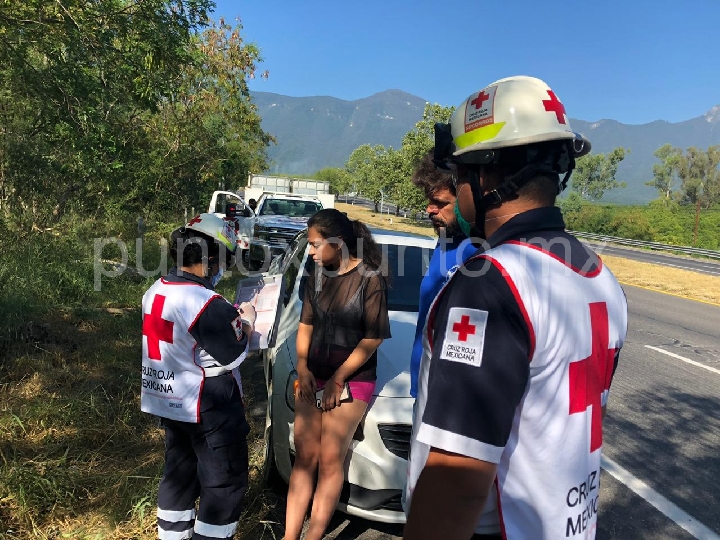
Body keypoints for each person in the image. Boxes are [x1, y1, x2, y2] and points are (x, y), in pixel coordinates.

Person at [403, 76, 628, 540]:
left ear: (484, 178)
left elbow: (458, 482)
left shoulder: (491, 283)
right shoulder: (601, 278)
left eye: (461, 175)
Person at [140, 213, 257, 540]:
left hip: (171, 403)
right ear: (207, 261)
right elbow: (235, 352)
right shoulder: (204, 301)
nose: (223, 270)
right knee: (224, 485)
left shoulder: (156, 289)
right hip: (210, 409)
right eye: (223, 262)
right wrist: (247, 321)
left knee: (179, 478)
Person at [284, 208, 391, 540]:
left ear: (338, 242)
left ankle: (313, 536)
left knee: (331, 460)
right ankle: (290, 536)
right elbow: (305, 327)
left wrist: (339, 379)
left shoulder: (370, 280)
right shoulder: (316, 278)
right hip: (313, 374)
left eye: (315, 245)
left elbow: (371, 339)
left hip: (351, 380)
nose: (311, 253)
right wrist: (303, 367)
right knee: (305, 457)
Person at [409, 150, 477, 400]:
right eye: (429, 200)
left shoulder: (479, 251)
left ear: (468, 199)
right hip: (424, 384)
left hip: (448, 396)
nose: (429, 210)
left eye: (440, 203)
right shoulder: (446, 240)